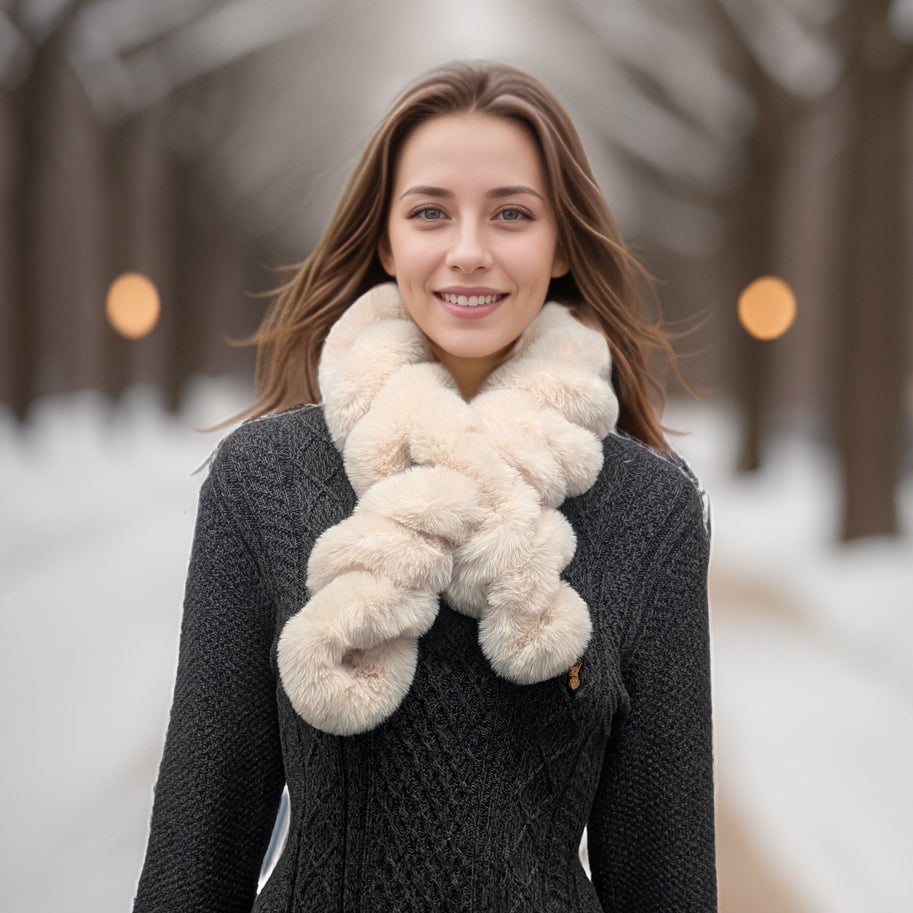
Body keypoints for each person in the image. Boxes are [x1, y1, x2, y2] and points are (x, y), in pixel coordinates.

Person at [133, 60, 716, 913]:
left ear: (560, 244)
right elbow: (197, 849)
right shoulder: (261, 481)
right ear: (385, 240)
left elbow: (666, 879)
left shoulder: (648, 511)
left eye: (511, 213)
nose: (468, 250)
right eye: (430, 212)